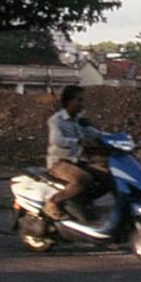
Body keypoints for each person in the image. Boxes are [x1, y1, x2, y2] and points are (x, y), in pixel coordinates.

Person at [44, 85, 106, 221]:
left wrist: (115, 138)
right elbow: (57, 140)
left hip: (77, 161)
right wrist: (78, 141)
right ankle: (53, 202)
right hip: (59, 162)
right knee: (83, 179)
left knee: (108, 178)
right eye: (79, 100)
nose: (82, 104)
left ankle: (81, 201)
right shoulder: (56, 120)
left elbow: (95, 133)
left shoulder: (79, 120)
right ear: (68, 101)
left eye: (82, 100)